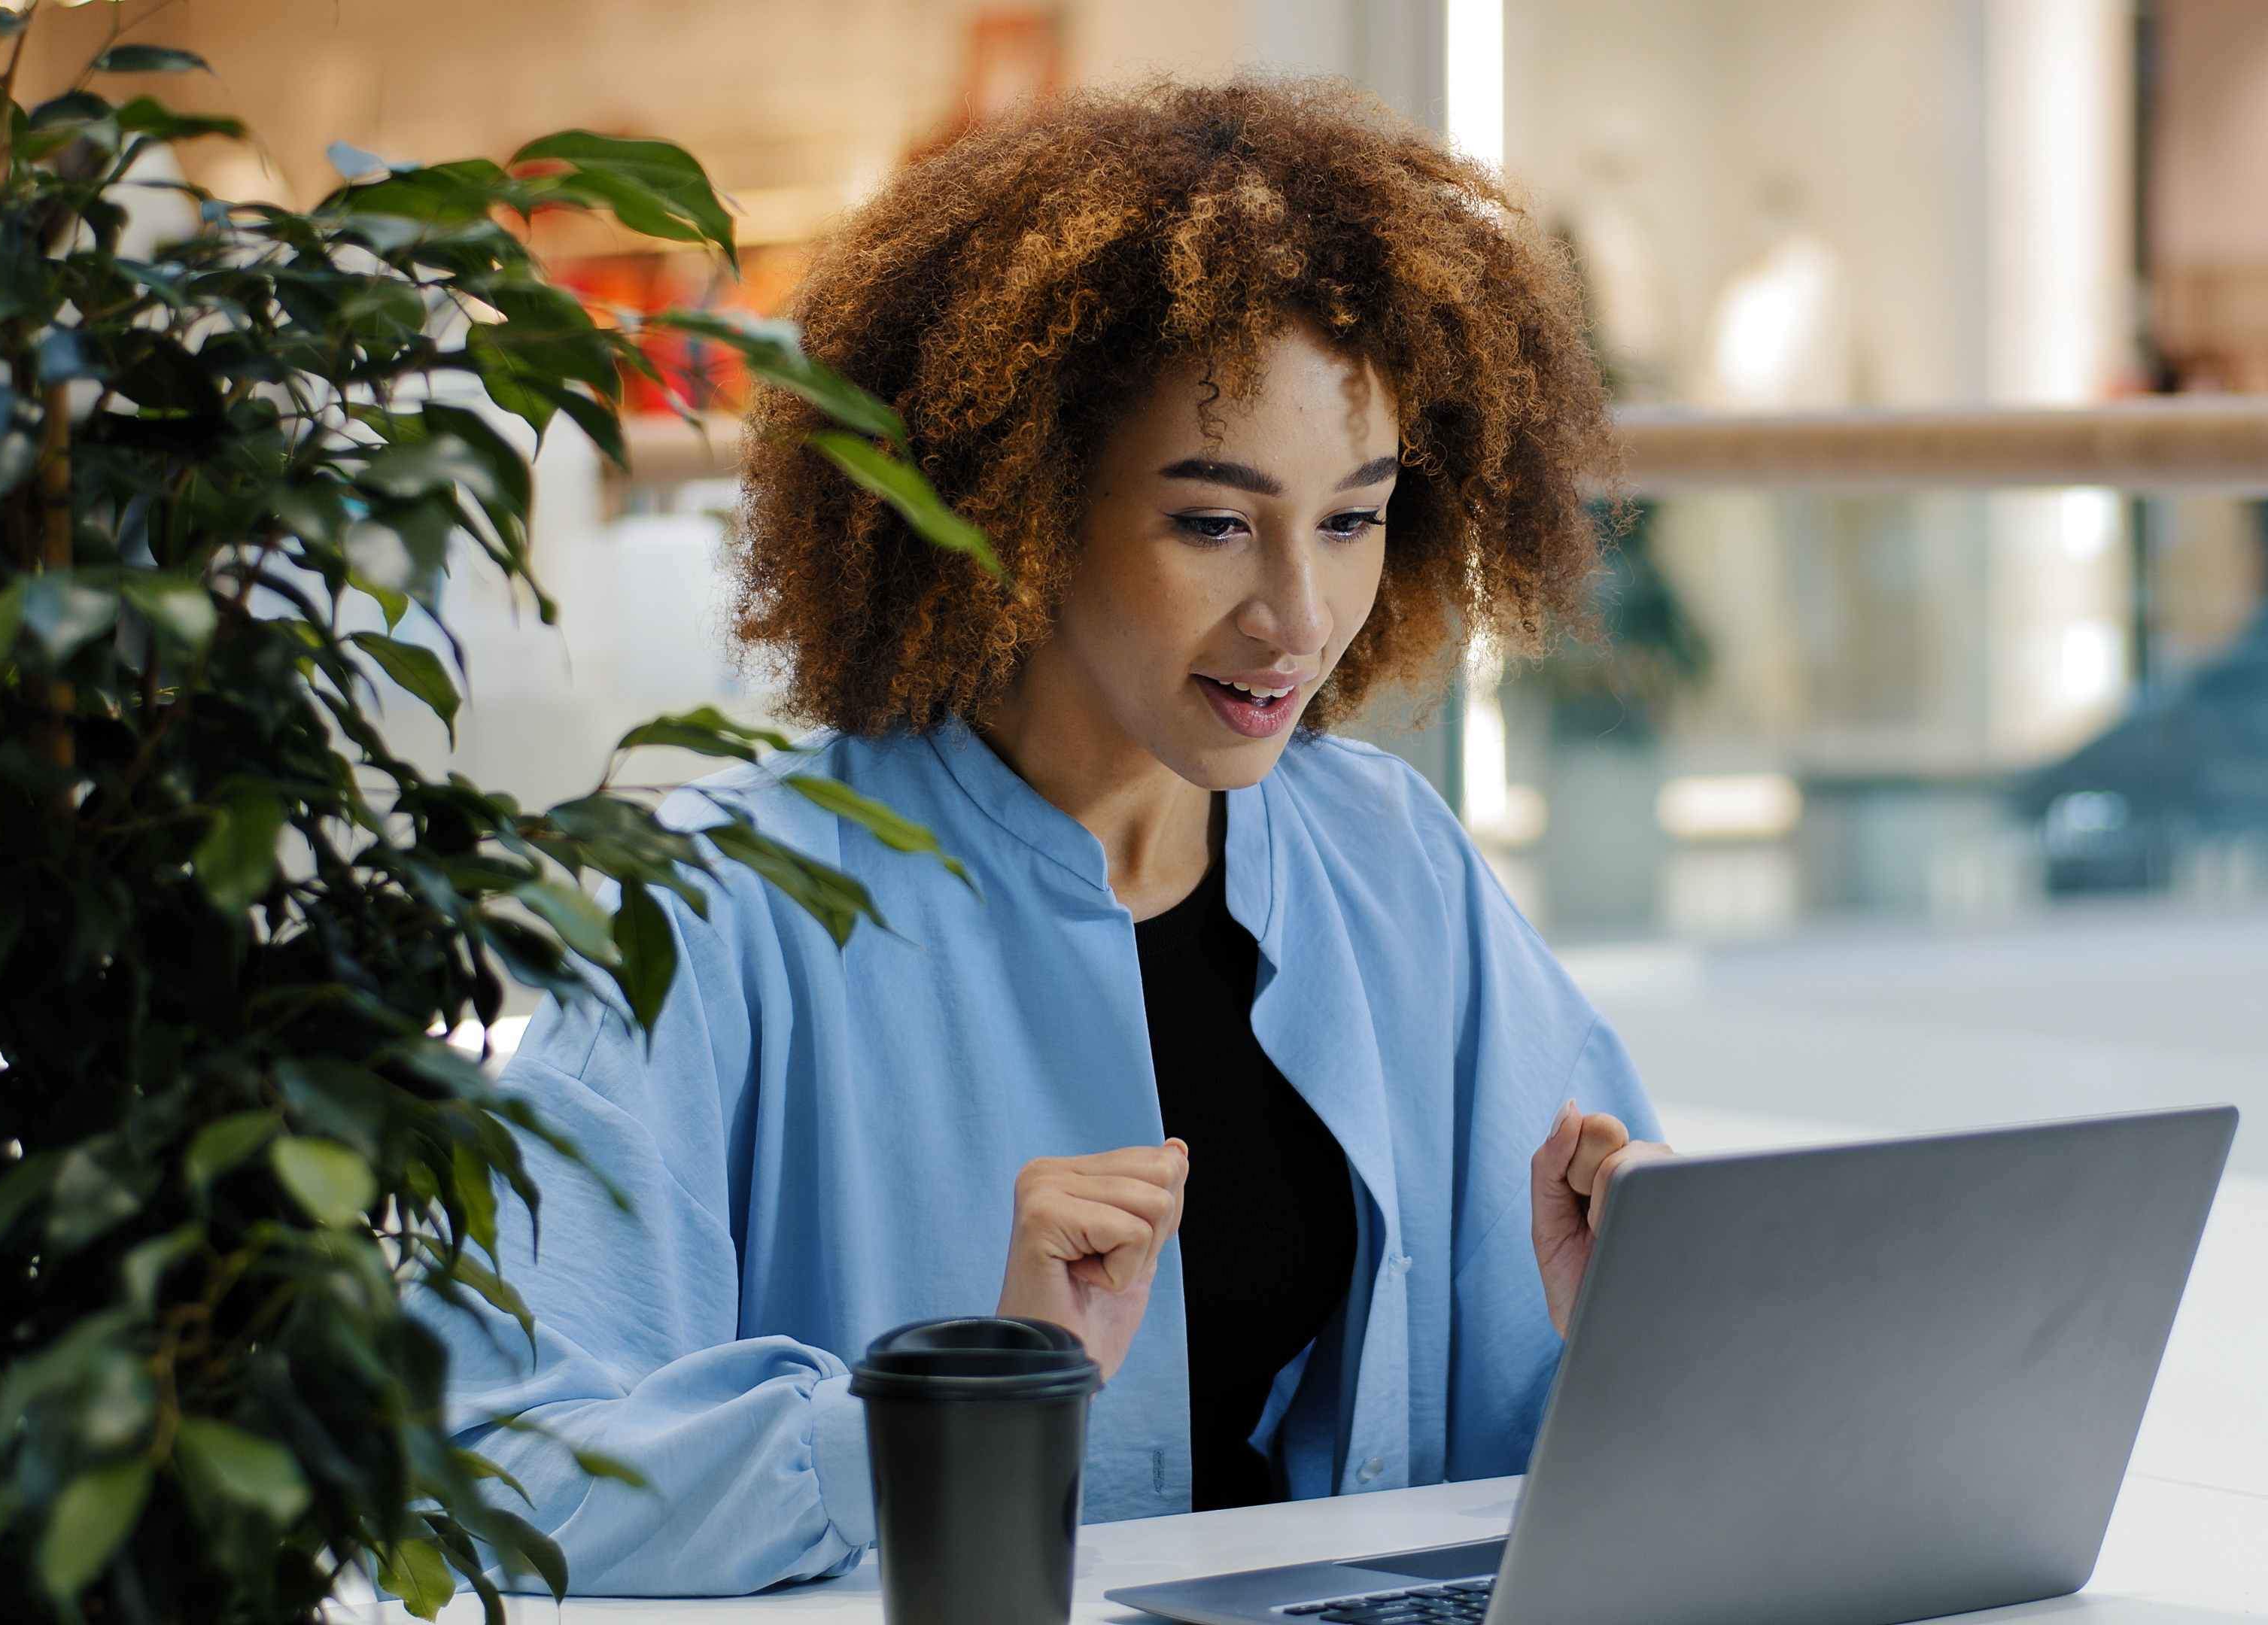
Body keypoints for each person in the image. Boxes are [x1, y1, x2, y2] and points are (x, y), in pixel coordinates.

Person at [427, 76, 1668, 1597]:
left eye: (1354, 518)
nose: (1298, 617)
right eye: (1214, 524)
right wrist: (949, 1403)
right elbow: (496, 1473)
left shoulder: (1394, 868)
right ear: (1019, 503)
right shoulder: (723, 911)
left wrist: (1614, 1338)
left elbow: (1519, 1488)